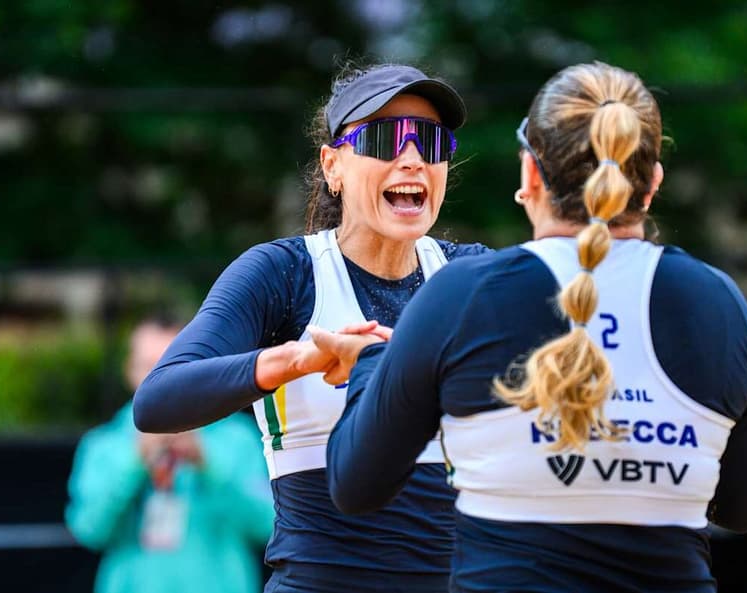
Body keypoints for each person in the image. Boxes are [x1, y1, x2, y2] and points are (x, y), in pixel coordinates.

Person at [314, 61, 747, 593]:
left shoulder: (464, 298)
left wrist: (370, 362)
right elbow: (742, 509)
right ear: (651, 187)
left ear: (530, 175)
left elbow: (354, 486)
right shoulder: (718, 304)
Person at [132, 63, 490, 593]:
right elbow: (158, 401)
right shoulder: (285, 273)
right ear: (333, 166)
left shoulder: (469, 275)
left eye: (432, 142)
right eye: (387, 138)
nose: (412, 157)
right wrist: (296, 360)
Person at [65, 316, 273, 593]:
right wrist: (134, 460)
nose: (161, 380)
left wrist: (207, 462)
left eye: (174, 365)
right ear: (129, 370)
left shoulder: (239, 439)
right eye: (150, 367)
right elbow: (89, 529)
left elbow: (268, 526)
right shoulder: (104, 444)